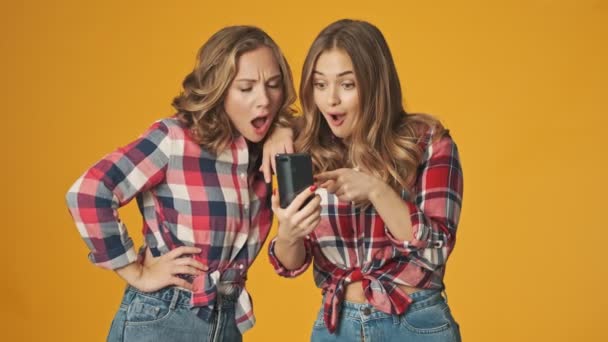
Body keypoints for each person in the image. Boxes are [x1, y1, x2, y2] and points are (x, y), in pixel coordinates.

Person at [65, 25, 296, 342]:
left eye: (274, 85)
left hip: (226, 319)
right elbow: (88, 193)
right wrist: (136, 271)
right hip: (165, 316)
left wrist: (286, 128)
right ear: (219, 91)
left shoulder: (264, 155)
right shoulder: (174, 140)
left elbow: (328, 119)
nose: (265, 100)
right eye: (246, 88)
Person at [265, 19, 464, 341]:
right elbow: (291, 264)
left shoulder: (427, 143)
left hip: (414, 322)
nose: (331, 100)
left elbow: (436, 249)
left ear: (374, 85)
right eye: (319, 85)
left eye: (347, 84)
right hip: (336, 325)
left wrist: (375, 189)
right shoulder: (301, 149)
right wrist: (288, 233)